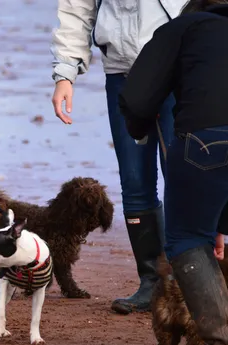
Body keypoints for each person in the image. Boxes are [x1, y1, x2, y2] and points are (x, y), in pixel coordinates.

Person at [50, 0, 189, 314]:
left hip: (179, 69)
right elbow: (76, 8)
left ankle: (189, 284)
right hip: (122, 75)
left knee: (184, 178)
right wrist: (65, 74)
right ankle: (151, 283)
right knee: (135, 182)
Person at [118, 0, 228, 345]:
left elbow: (138, 95)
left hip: (206, 140)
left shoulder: (184, 28)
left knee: (186, 238)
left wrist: (137, 126)